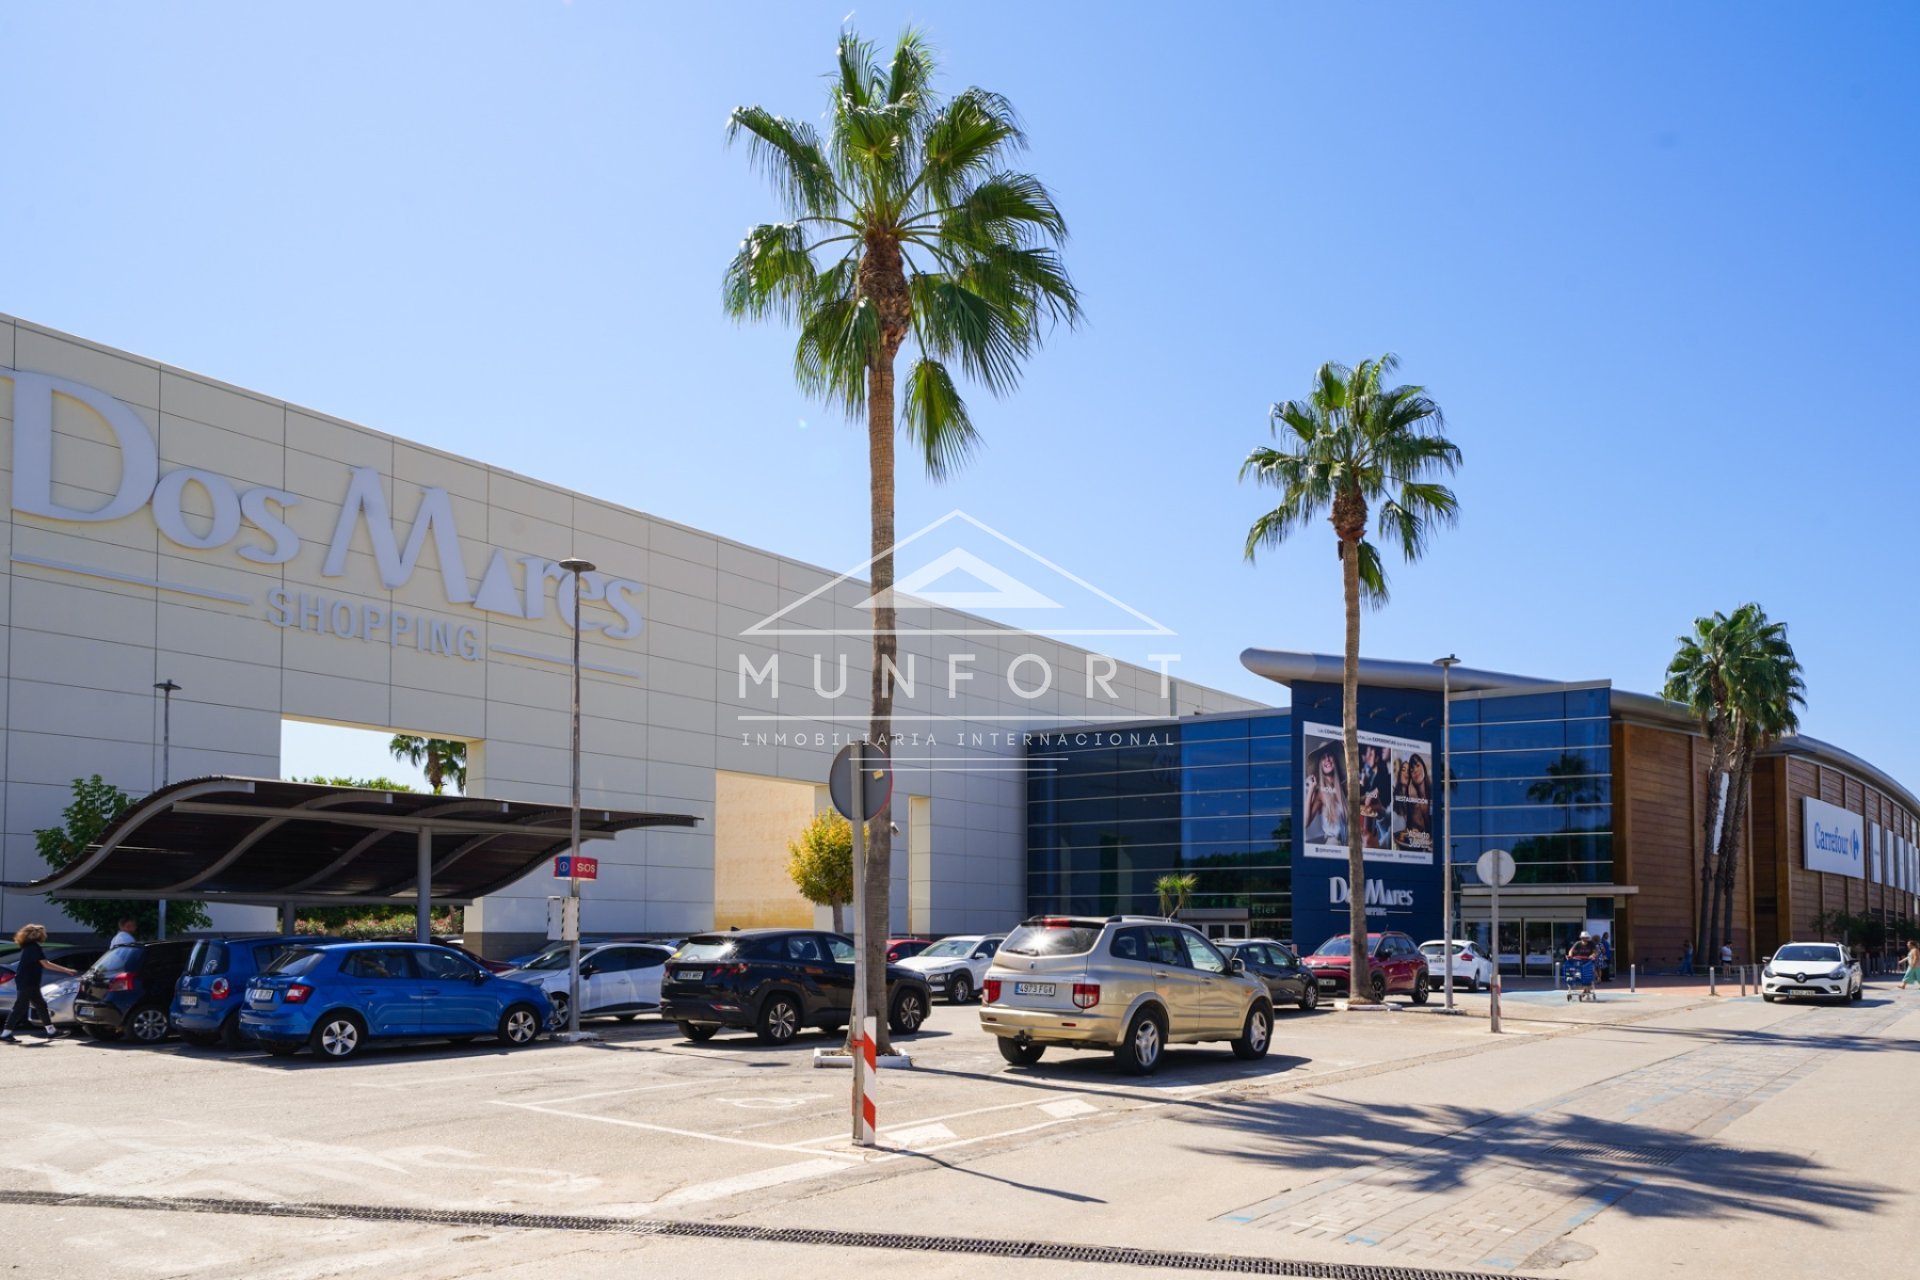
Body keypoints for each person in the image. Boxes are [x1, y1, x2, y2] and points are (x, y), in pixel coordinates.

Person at [2, 924, 78, 1042]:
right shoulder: (34, 947)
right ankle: (6, 1033)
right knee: (20, 1007)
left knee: (41, 1005)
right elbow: (46, 964)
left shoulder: (28, 947)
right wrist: (66, 970)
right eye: (44, 933)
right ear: (38, 935)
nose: (45, 934)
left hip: (29, 981)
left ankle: (51, 1031)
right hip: (28, 982)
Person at [1304, 747, 1347, 845]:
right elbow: (1305, 823)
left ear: (1335, 760)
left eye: (1329, 755)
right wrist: (1311, 789)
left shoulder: (1344, 788)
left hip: (1348, 845)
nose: (1327, 759)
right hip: (1333, 844)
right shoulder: (1321, 793)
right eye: (1323, 757)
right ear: (1320, 766)